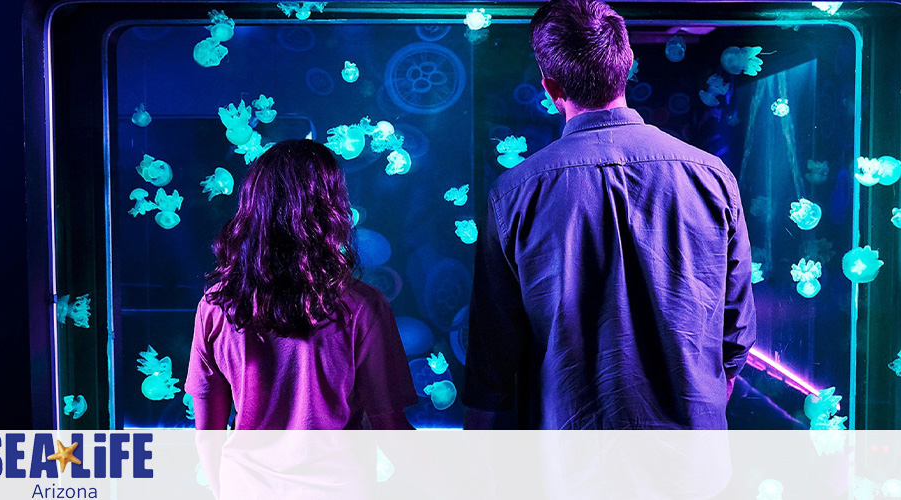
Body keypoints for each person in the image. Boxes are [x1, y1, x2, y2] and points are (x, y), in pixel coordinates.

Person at [462, 0, 756, 430]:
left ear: (550, 88)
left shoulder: (514, 193)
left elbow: (494, 348)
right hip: (688, 458)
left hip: (566, 459)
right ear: (628, 64)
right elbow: (736, 333)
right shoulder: (712, 177)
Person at [186, 139, 417, 431]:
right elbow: (390, 425)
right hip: (338, 476)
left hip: (243, 476)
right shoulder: (362, 307)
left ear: (252, 205)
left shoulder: (217, 306)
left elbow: (208, 432)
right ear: (331, 207)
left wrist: (223, 479)